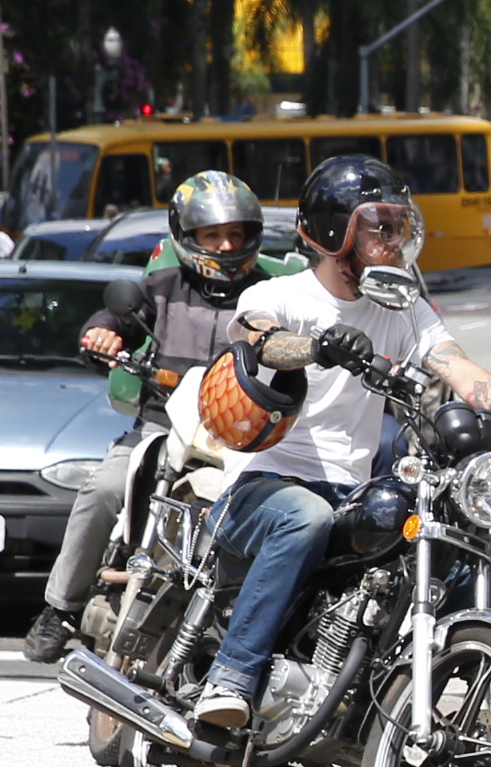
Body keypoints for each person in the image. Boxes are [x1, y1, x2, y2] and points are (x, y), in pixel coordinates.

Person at [194, 156, 491, 737]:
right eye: (380, 227)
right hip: (265, 486)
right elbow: (261, 340)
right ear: (334, 233)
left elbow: (458, 368)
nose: (395, 240)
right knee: (306, 516)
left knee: (462, 563)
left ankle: (388, 705)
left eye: (399, 226)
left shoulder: (401, 310)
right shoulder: (282, 293)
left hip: (349, 492)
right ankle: (231, 677)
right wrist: (317, 346)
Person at [23, 170, 298, 664]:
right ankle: (60, 608)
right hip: (161, 427)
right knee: (106, 486)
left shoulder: (272, 294)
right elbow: (115, 321)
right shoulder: (162, 286)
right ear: (187, 238)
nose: (227, 244)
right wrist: (102, 335)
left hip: (242, 437)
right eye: (213, 235)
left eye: (236, 233)